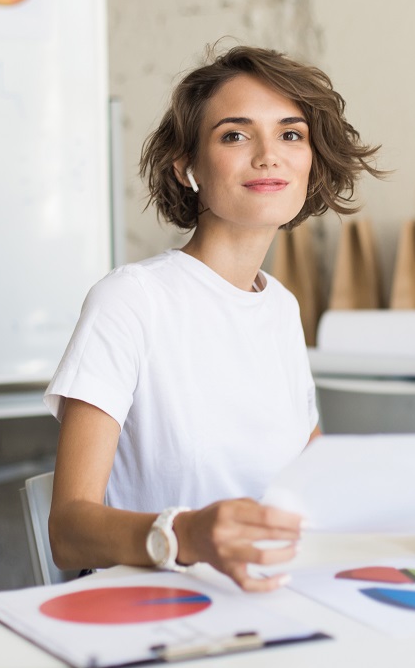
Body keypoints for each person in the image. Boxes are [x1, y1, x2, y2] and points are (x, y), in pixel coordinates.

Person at [44, 45, 381, 591]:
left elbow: (313, 476)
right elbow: (68, 532)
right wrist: (188, 534)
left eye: (291, 134)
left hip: (270, 592)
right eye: (235, 135)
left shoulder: (280, 307)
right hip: (154, 606)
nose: (269, 155)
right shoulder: (131, 299)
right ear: (187, 167)